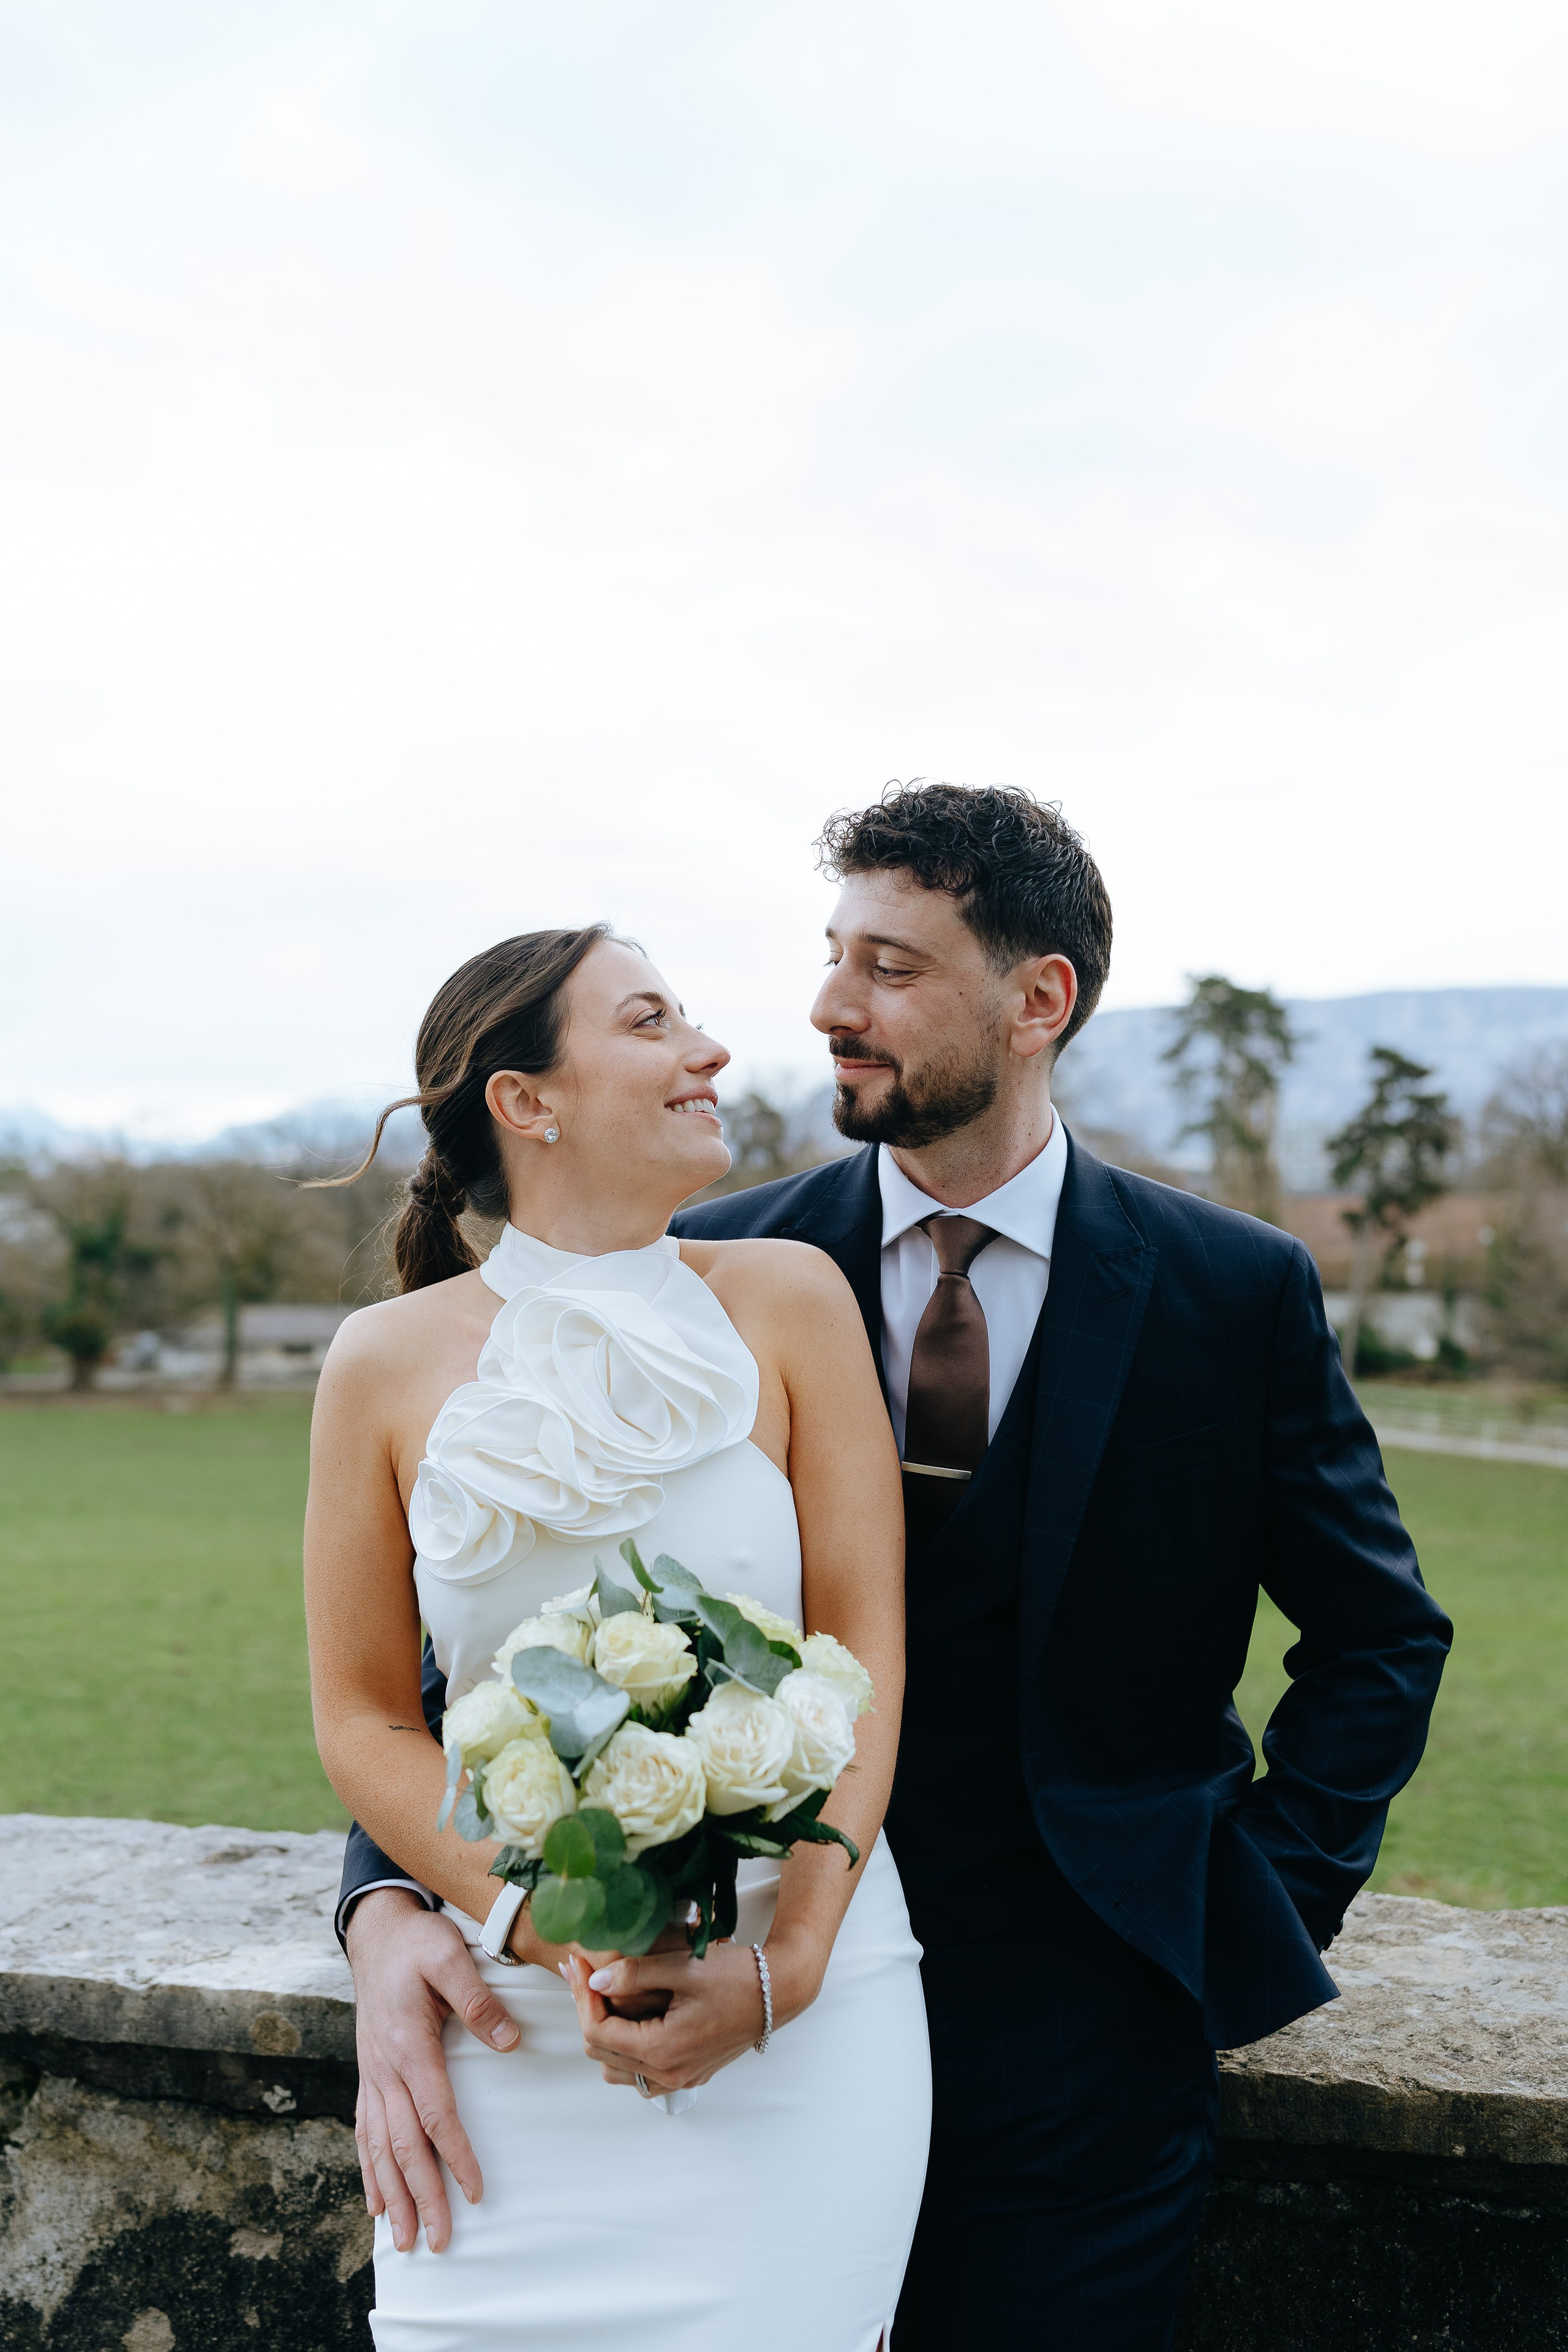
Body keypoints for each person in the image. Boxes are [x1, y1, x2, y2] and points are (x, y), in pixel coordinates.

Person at [337, 784, 1452, 2351]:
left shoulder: (1228, 1289)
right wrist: (388, 1907)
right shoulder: (700, 1270)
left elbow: (1376, 1638)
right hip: (698, 1985)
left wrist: (1236, 1920)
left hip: (1084, 2037)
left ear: (1034, 1002)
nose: (825, 1009)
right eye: (829, 956)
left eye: (889, 968)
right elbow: (489, 1639)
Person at [304, 923, 930, 2352]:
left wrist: (793, 1966)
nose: (707, 1051)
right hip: (519, 2033)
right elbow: (361, 1719)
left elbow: (867, 1650)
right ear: (528, 1099)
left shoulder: (786, 1302)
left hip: (806, 2022)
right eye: (651, 1022)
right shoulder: (380, 1364)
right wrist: (544, 1933)